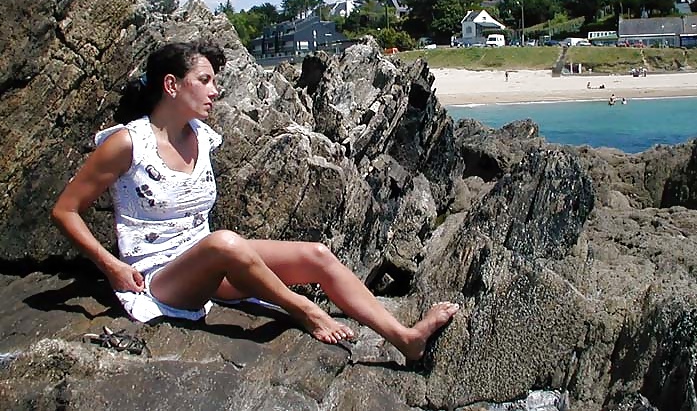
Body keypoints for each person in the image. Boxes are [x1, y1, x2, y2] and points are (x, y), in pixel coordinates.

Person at [51, 42, 458, 361]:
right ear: (172, 85)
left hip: (209, 264)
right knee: (226, 242)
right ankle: (304, 310)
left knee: (316, 254)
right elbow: (65, 210)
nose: (216, 90)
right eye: (205, 80)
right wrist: (112, 266)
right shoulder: (128, 143)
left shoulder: (201, 136)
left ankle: (405, 339)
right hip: (158, 281)